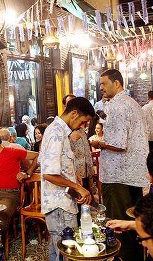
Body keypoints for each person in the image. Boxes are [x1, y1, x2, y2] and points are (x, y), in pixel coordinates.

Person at [91, 69, 148, 261]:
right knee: (133, 221)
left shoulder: (116, 106)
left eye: (104, 84)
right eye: (100, 85)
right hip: (133, 173)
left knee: (120, 226)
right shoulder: (132, 103)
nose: (101, 88)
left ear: (117, 84)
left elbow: (118, 144)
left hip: (118, 175)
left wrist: (97, 143)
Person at [40, 96, 94, 261]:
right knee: (66, 252)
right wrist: (78, 187)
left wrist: (72, 174)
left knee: (58, 250)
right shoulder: (56, 132)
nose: (83, 126)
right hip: (59, 205)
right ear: (74, 114)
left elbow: (54, 164)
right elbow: (49, 173)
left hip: (61, 203)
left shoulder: (59, 131)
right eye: (84, 122)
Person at [0, 128, 39, 231]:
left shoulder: (13, 152)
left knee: (0, 219)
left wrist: (27, 174)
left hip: (9, 195)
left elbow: (37, 156)